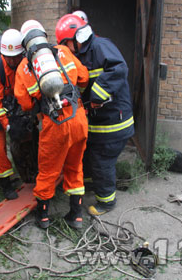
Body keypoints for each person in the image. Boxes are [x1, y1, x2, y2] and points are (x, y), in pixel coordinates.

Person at [55, 14, 135, 216]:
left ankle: (106, 201)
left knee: (102, 161)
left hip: (114, 123)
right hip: (100, 122)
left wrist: (99, 92)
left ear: (75, 38)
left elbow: (119, 68)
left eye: (67, 44)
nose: (68, 49)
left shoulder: (100, 46)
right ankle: (90, 185)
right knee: (89, 154)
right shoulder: (84, 53)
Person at [15, 20, 89, 229]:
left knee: (48, 170)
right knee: (75, 167)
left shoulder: (24, 67)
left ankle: (44, 216)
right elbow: (83, 78)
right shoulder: (63, 51)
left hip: (54, 123)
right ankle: (76, 215)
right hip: (78, 118)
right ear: (44, 37)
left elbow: (25, 103)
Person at [0, 28, 38, 199]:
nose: (14, 60)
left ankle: (32, 171)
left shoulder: (27, 63)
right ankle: (6, 184)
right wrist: (8, 125)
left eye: (17, 56)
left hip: (20, 105)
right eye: (10, 57)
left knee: (31, 138)